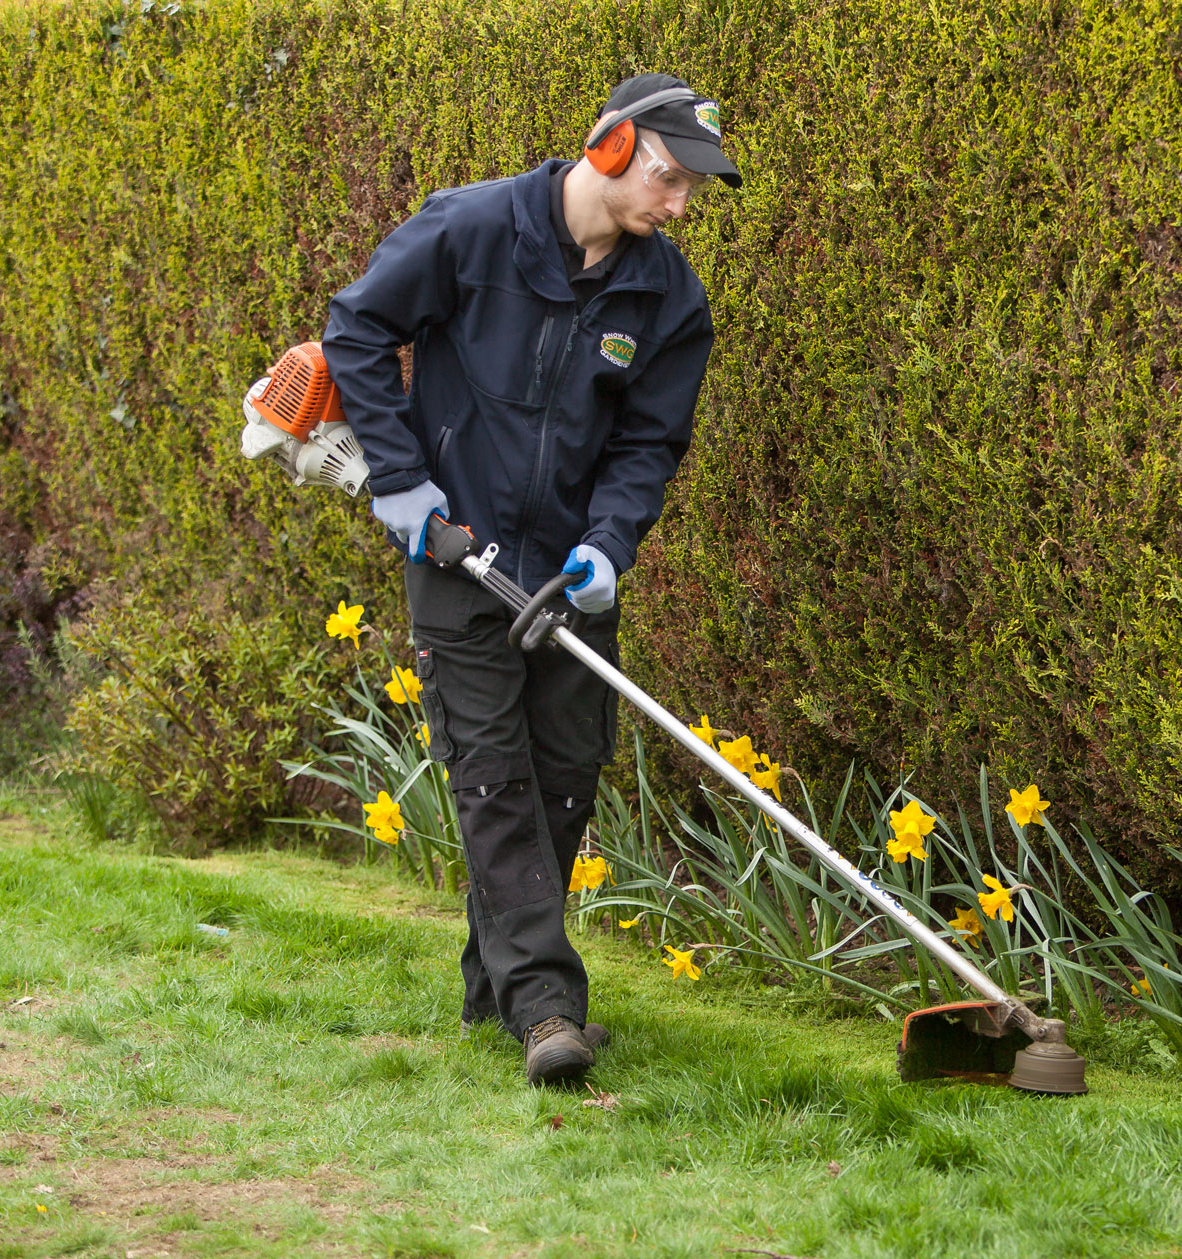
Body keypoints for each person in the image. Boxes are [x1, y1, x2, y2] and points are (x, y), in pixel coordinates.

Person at [322, 73, 740, 1084]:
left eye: (689, 190)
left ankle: (494, 987)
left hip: (564, 572)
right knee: (492, 772)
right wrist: (405, 484)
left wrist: (610, 544)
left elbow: (649, 439)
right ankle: (548, 1007)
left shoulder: (666, 295)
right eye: (670, 179)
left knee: (563, 773)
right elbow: (356, 331)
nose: (678, 208)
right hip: (456, 545)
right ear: (609, 147)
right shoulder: (469, 229)